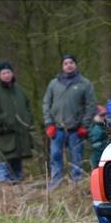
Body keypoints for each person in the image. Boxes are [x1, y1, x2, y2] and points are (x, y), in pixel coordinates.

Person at [42, 53, 97, 189]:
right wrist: (49, 123)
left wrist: (85, 125)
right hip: (57, 128)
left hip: (76, 129)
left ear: (75, 65)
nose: (69, 65)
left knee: (76, 157)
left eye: (71, 62)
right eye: (66, 63)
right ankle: (56, 183)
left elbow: (91, 105)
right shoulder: (54, 84)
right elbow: (46, 103)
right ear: (62, 66)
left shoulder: (84, 83)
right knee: (55, 156)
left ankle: (76, 184)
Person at [0, 61, 34, 184]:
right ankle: (4, 188)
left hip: (20, 133)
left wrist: (27, 120)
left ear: (12, 73)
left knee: (17, 159)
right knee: (4, 160)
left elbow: (28, 107)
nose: (6, 75)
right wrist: (2, 119)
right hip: (4, 133)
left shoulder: (19, 90)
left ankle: (17, 185)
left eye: (8, 72)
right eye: (3, 73)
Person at [89, 105, 109, 169]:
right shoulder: (96, 129)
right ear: (95, 116)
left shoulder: (103, 126)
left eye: (105, 115)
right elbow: (97, 146)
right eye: (101, 115)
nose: (104, 117)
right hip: (98, 159)